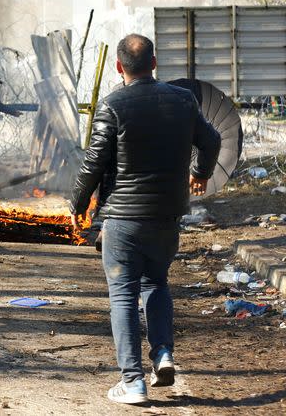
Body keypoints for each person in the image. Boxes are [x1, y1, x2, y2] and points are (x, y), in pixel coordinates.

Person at [69, 34, 221, 405]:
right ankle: (164, 355)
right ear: (154, 63)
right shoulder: (183, 100)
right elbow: (213, 139)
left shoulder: (113, 105)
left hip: (123, 219)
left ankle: (133, 382)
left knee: (123, 295)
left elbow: (94, 162)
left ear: (119, 67)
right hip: (166, 217)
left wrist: (77, 202)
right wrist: (200, 173)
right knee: (157, 284)